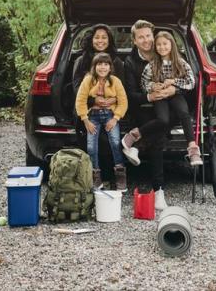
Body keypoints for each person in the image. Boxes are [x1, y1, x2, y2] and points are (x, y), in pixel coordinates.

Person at [122, 20, 176, 210]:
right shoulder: (129, 62)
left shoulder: (165, 51)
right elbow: (130, 94)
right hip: (144, 106)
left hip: (169, 103)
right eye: (141, 37)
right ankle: (159, 190)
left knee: (162, 121)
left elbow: (186, 81)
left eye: (148, 36)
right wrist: (149, 96)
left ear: (153, 35)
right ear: (134, 41)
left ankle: (135, 140)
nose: (146, 40)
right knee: (158, 135)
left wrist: (173, 91)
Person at [141, 31, 203, 166]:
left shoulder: (180, 62)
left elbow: (191, 82)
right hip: (160, 97)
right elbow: (144, 83)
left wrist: (174, 82)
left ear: (172, 45)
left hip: (176, 94)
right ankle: (136, 133)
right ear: (155, 47)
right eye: (158, 45)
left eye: (165, 44)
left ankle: (193, 149)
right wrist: (153, 86)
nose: (162, 47)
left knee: (184, 113)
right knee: (163, 119)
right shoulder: (152, 64)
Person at [75, 52, 128, 192]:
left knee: (116, 143)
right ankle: (95, 177)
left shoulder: (115, 81)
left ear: (110, 67)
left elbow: (123, 102)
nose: (102, 67)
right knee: (91, 147)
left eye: (106, 64)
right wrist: (85, 121)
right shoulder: (88, 80)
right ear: (94, 66)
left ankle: (120, 176)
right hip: (93, 116)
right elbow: (80, 101)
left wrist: (115, 118)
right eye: (99, 64)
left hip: (110, 115)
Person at [73, 23, 124, 95]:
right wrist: (94, 100)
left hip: (111, 103)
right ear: (91, 40)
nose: (100, 41)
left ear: (109, 40)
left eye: (104, 37)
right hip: (85, 102)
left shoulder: (116, 61)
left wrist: (112, 100)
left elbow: (121, 88)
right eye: (97, 37)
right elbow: (77, 89)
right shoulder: (81, 61)